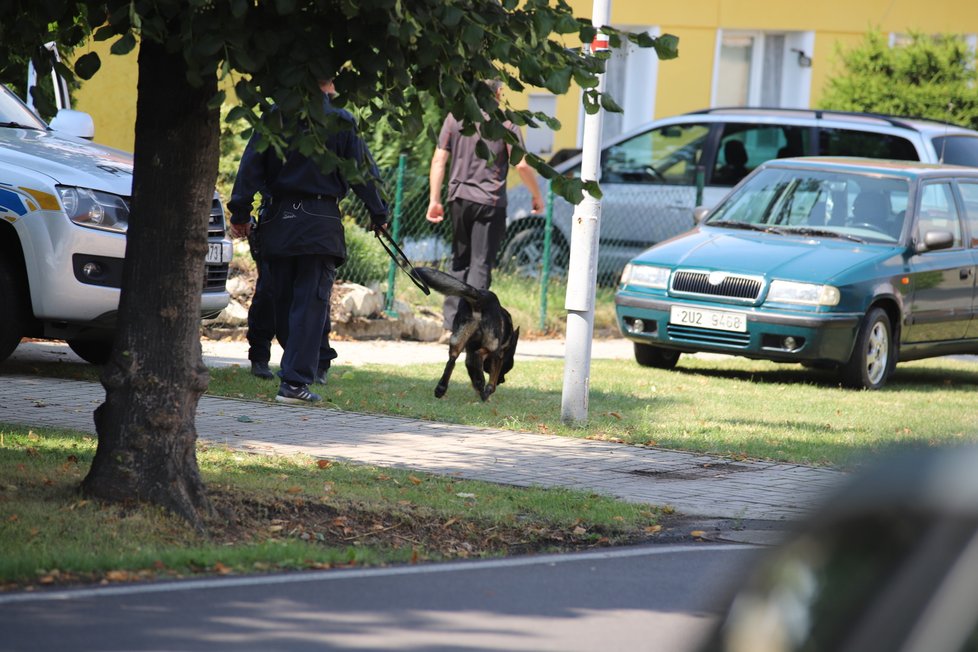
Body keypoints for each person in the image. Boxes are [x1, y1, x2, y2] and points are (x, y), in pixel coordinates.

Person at [228, 79, 388, 404]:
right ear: (329, 83)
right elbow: (363, 172)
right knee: (309, 305)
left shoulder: (274, 116)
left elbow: (250, 166)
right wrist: (379, 212)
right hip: (320, 221)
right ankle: (294, 382)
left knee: (282, 299)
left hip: (278, 218)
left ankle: (290, 371)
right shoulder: (342, 120)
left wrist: (241, 212)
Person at [426, 80, 544, 333]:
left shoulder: (456, 118)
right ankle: (472, 325)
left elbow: (439, 160)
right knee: (480, 263)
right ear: (498, 93)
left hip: (458, 198)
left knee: (459, 261)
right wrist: (537, 195)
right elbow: (521, 164)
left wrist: (434, 199)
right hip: (489, 202)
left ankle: (450, 325)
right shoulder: (505, 122)